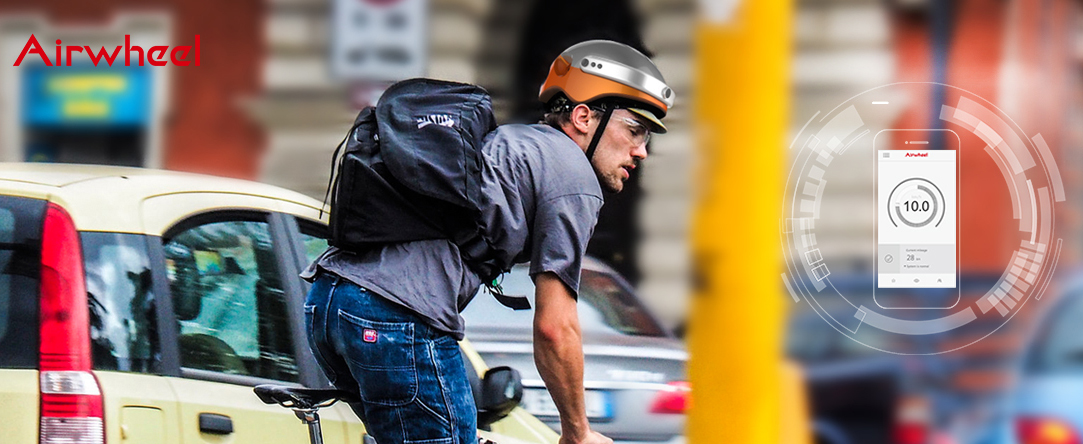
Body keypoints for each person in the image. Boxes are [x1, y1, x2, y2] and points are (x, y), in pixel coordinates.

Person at [301, 39, 673, 444]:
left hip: (328, 302)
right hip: (395, 316)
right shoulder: (574, 177)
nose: (641, 152)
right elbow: (555, 326)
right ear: (583, 117)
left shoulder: (514, 142)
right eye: (634, 131)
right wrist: (578, 432)